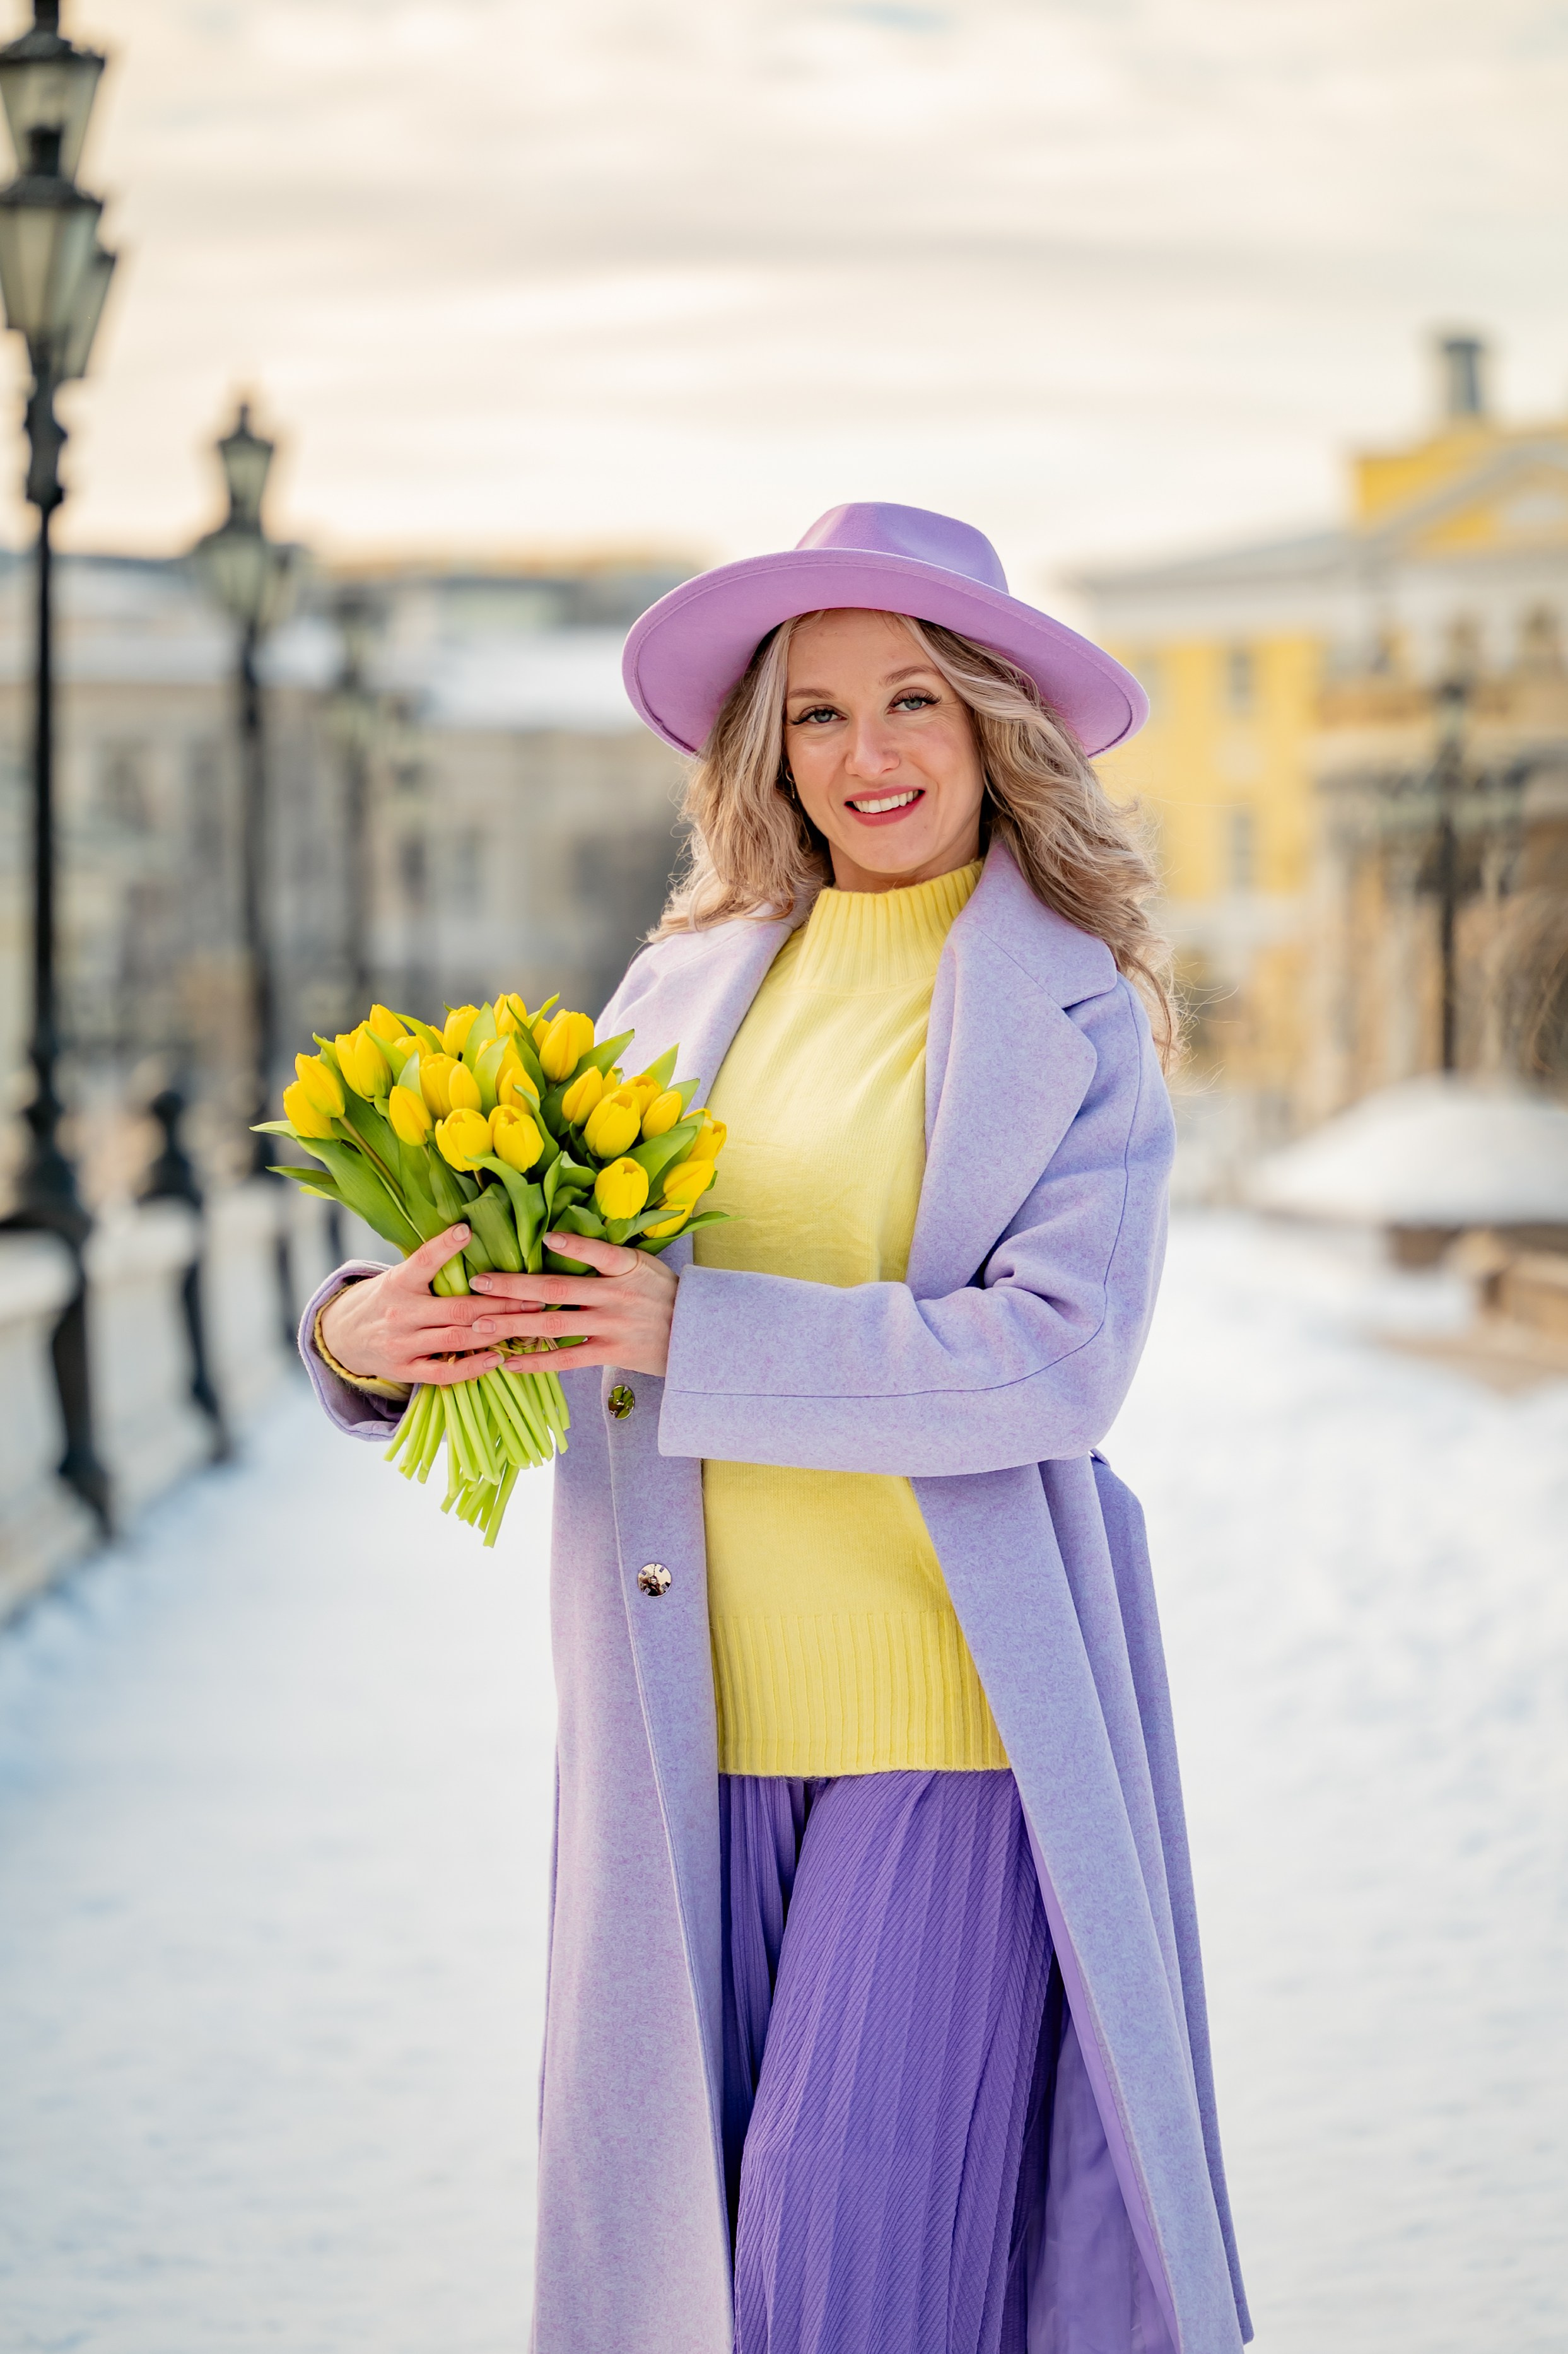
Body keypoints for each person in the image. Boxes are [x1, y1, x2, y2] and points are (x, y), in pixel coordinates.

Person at [302, 503, 1251, 2354]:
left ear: (997, 727)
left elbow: (1056, 1360)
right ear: (766, 745)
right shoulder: (684, 986)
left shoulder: (1074, 1011)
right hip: (686, 1734)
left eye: (914, 700)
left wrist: (694, 1323)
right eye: (816, 713)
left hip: (946, 1728)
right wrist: (372, 1331)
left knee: (840, 2296)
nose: (867, 754)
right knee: (689, 2287)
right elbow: (565, 1308)